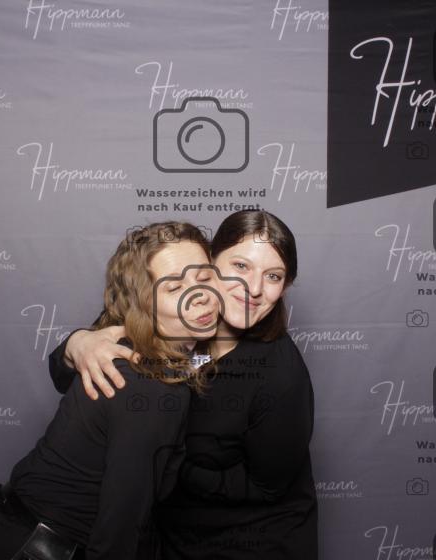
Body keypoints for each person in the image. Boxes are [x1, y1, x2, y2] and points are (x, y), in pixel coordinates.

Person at [49, 210, 318, 559]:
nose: (253, 289)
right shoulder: (171, 312)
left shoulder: (281, 375)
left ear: (285, 287)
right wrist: (78, 344)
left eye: (273, 276)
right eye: (240, 266)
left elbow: (268, 488)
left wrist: (166, 462)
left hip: (254, 544)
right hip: (170, 538)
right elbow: (64, 375)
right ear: (210, 263)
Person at [0, 222, 219, 560]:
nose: (199, 295)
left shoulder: (137, 343)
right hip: (36, 547)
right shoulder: (154, 387)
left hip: (14, 526)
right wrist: (76, 344)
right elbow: (121, 525)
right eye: (174, 287)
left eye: (204, 278)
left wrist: (76, 341)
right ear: (142, 304)